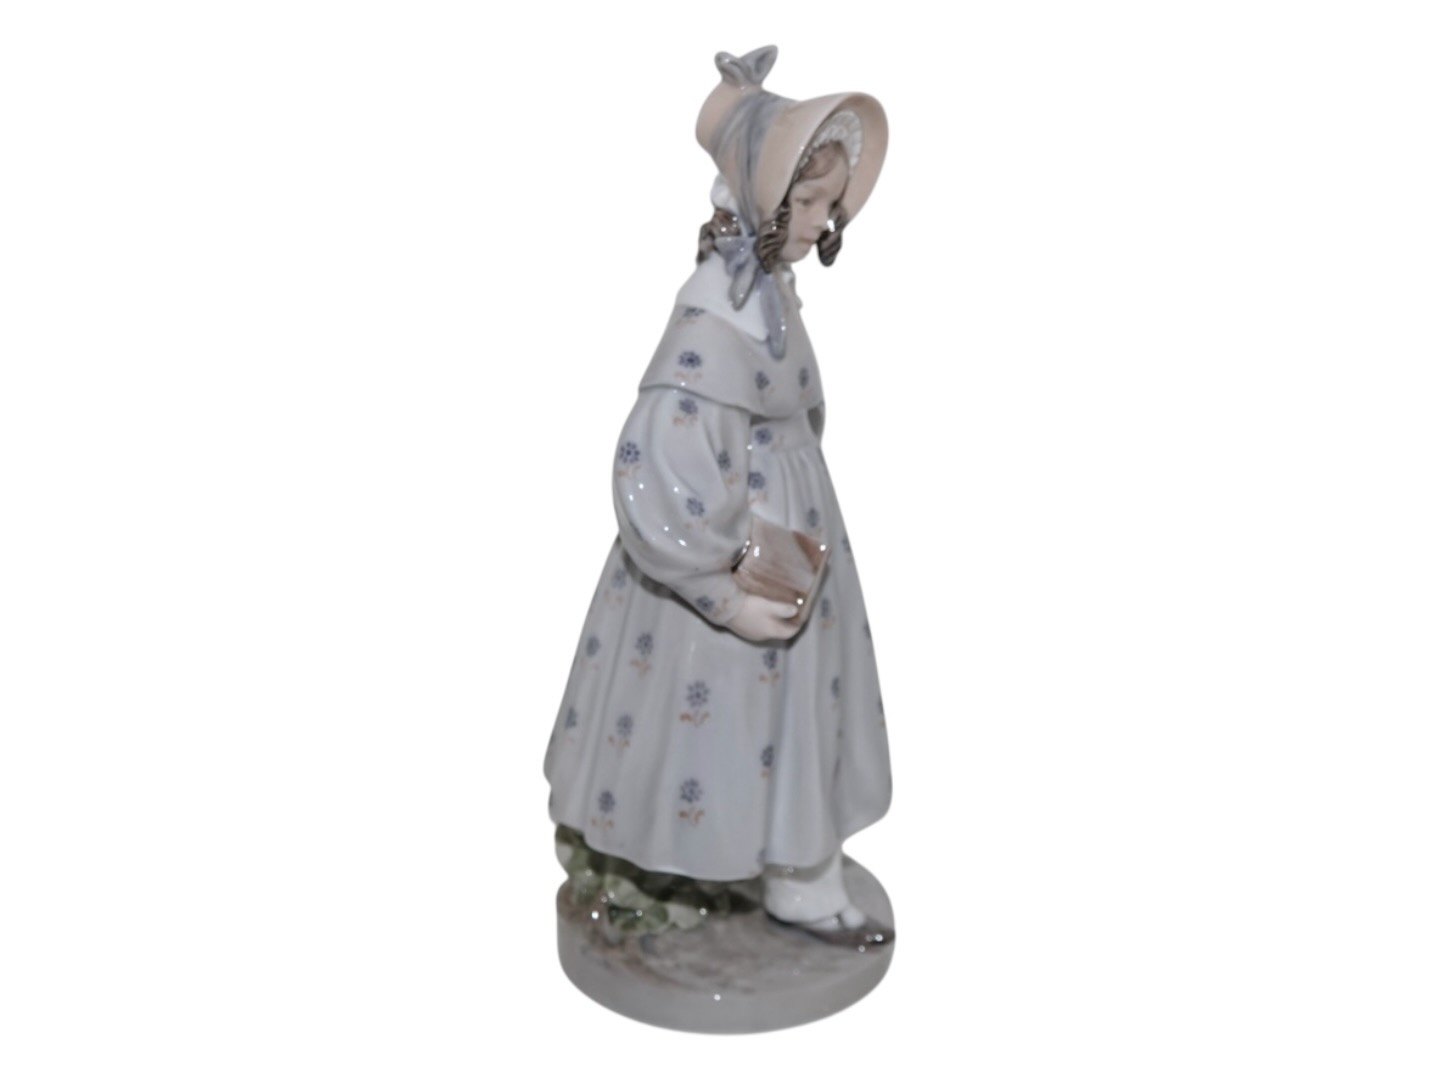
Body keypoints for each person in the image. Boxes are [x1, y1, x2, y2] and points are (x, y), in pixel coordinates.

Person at [544, 45, 892, 947]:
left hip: (792, 541)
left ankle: (802, 870)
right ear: (759, 201)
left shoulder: (771, 293)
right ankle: (741, 872)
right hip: (736, 555)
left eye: (826, 205)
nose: (819, 222)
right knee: (728, 710)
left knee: (796, 711)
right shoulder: (714, 314)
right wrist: (723, 588)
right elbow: (660, 462)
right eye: (805, 203)